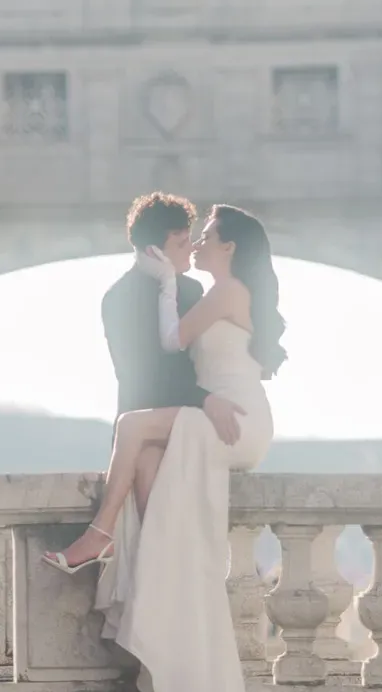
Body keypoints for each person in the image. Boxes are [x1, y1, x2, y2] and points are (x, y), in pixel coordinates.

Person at [43, 202, 288, 692]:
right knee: (144, 450)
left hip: (234, 420)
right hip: (222, 414)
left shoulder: (222, 291)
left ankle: (99, 535)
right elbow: (171, 353)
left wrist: (160, 290)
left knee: (130, 430)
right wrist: (158, 286)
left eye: (206, 237)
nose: (198, 244)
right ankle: (154, 553)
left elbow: (174, 345)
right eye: (191, 237)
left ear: (228, 247)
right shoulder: (212, 290)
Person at [42, 193, 246, 571]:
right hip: (145, 414)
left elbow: (193, 365)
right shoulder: (120, 298)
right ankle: (119, 552)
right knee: (150, 482)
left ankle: (101, 537)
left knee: (157, 510)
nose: (192, 250)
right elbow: (142, 377)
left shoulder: (190, 291)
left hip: (167, 420)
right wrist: (206, 400)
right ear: (158, 249)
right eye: (182, 242)